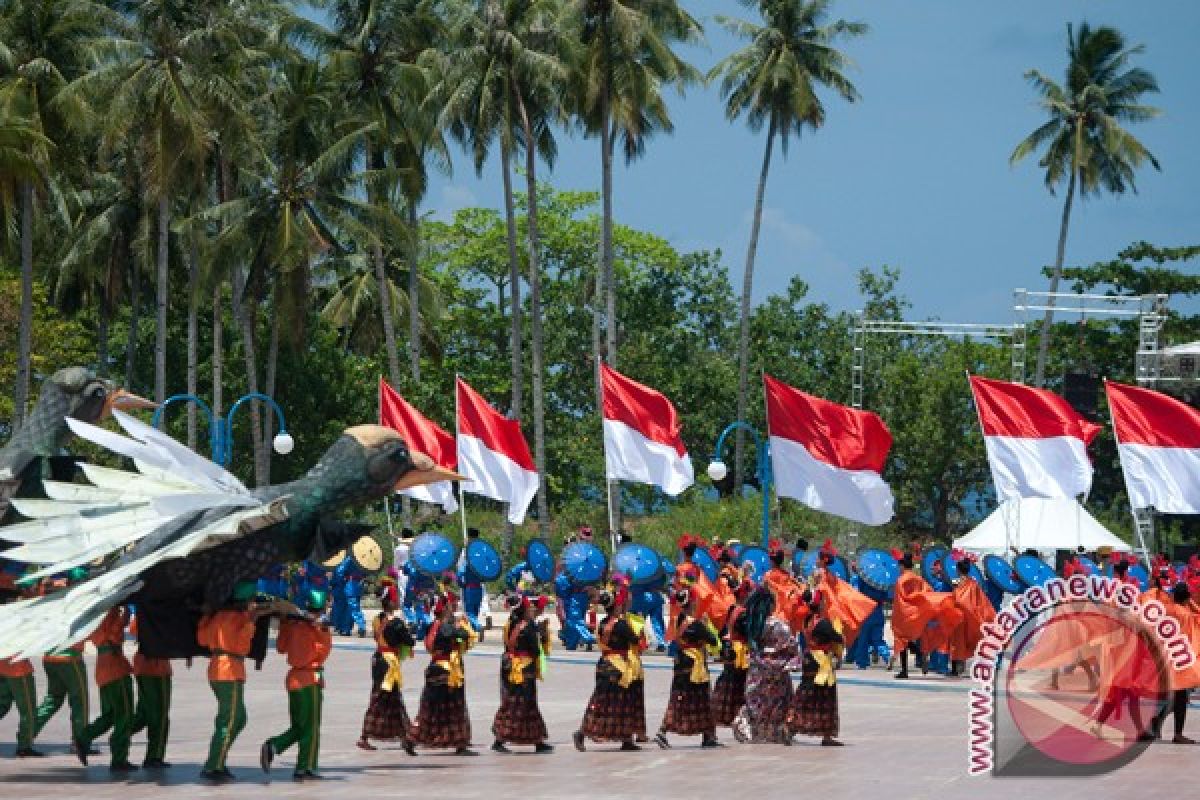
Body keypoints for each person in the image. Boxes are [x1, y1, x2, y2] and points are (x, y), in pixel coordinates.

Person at [196, 581, 268, 783]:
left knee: (238, 718)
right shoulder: (239, 619)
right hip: (229, 670)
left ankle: (218, 760)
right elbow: (242, 646)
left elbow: (202, 639)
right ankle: (213, 765)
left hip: (217, 669)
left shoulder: (217, 616)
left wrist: (205, 617)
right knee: (229, 720)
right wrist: (251, 622)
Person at [261, 589, 334, 782]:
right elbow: (323, 652)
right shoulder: (317, 627)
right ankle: (306, 767)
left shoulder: (293, 625)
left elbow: (280, 648)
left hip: (293, 679)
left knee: (299, 725)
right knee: (311, 727)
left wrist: (286, 624)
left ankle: (274, 747)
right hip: (310, 679)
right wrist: (320, 630)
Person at [573, 586, 646, 752]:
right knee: (624, 702)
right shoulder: (621, 624)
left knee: (601, 702)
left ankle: (621, 738)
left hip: (604, 663)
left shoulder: (602, 623)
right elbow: (635, 641)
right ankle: (624, 739)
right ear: (617, 606)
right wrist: (639, 631)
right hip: (619, 666)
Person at [410, 588, 477, 755]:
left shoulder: (434, 625)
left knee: (438, 706)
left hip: (441, 668)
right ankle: (412, 738)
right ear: (445, 608)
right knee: (447, 706)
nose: (454, 606)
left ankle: (457, 742)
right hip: (445, 671)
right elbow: (461, 635)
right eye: (452, 604)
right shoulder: (444, 626)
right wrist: (463, 626)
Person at [655, 587, 720, 749]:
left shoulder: (679, 620)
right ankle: (708, 735)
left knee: (679, 698)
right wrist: (706, 625)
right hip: (695, 665)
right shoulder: (696, 624)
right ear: (692, 602)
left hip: (681, 663)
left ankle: (664, 731)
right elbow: (712, 640)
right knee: (703, 698)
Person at [74, 605, 137, 772]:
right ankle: (119, 759)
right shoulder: (110, 611)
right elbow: (114, 633)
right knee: (125, 714)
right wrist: (126, 615)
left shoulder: (94, 613)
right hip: (115, 668)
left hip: (102, 667)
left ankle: (84, 737)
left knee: (110, 714)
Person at [732, 589, 799, 744]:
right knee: (778, 704)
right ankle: (774, 733)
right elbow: (792, 646)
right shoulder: (779, 626)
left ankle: (750, 729)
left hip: (756, 670)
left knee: (756, 703)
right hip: (777, 672)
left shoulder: (751, 625)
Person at [358, 585, 417, 754]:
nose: (398, 600)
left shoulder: (377, 619)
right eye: (395, 598)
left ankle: (403, 736)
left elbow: (379, 637)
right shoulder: (396, 623)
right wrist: (409, 633)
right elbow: (408, 642)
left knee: (385, 697)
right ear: (390, 602)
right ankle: (403, 737)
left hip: (378, 659)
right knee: (386, 698)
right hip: (388, 663)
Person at [492, 594, 553, 754]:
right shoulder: (528, 626)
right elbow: (535, 650)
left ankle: (534, 740)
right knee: (524, 704)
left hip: (510, 665)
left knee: (512, 702)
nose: (532, 609)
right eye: (529, 607)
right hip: (524, 668)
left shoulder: (511, 623)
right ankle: (503, 739)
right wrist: (542, 636)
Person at [788, 589, 845, 746]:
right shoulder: (823, 623)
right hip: (821, 662)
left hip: (809, 659)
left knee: (805, 694)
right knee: (825, 696)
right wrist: (840, 632)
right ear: (818, 604)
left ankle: (791, 725)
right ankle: (826, 735)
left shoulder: (807, 620)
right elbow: (837, 638)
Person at [711, 578, 752, 728]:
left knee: (729, 679)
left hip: (730, 647)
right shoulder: (744, 613)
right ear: (743, 596)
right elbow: (746, 632)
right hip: (739, 649)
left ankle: (723, 713)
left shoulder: (732, 609)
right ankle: (736, 713)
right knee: (739, 681)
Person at [130, 640, 173, 768]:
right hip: (157, 668)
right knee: (160, 716)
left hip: (143, 664)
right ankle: (154, 756)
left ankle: (121, 736)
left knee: (144, 714)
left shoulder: (141, 621)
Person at [0, 652, 41, 758]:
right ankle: (24, 747)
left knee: (2, 705)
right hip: (18, 668)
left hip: (2, 665)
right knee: (28, 710)